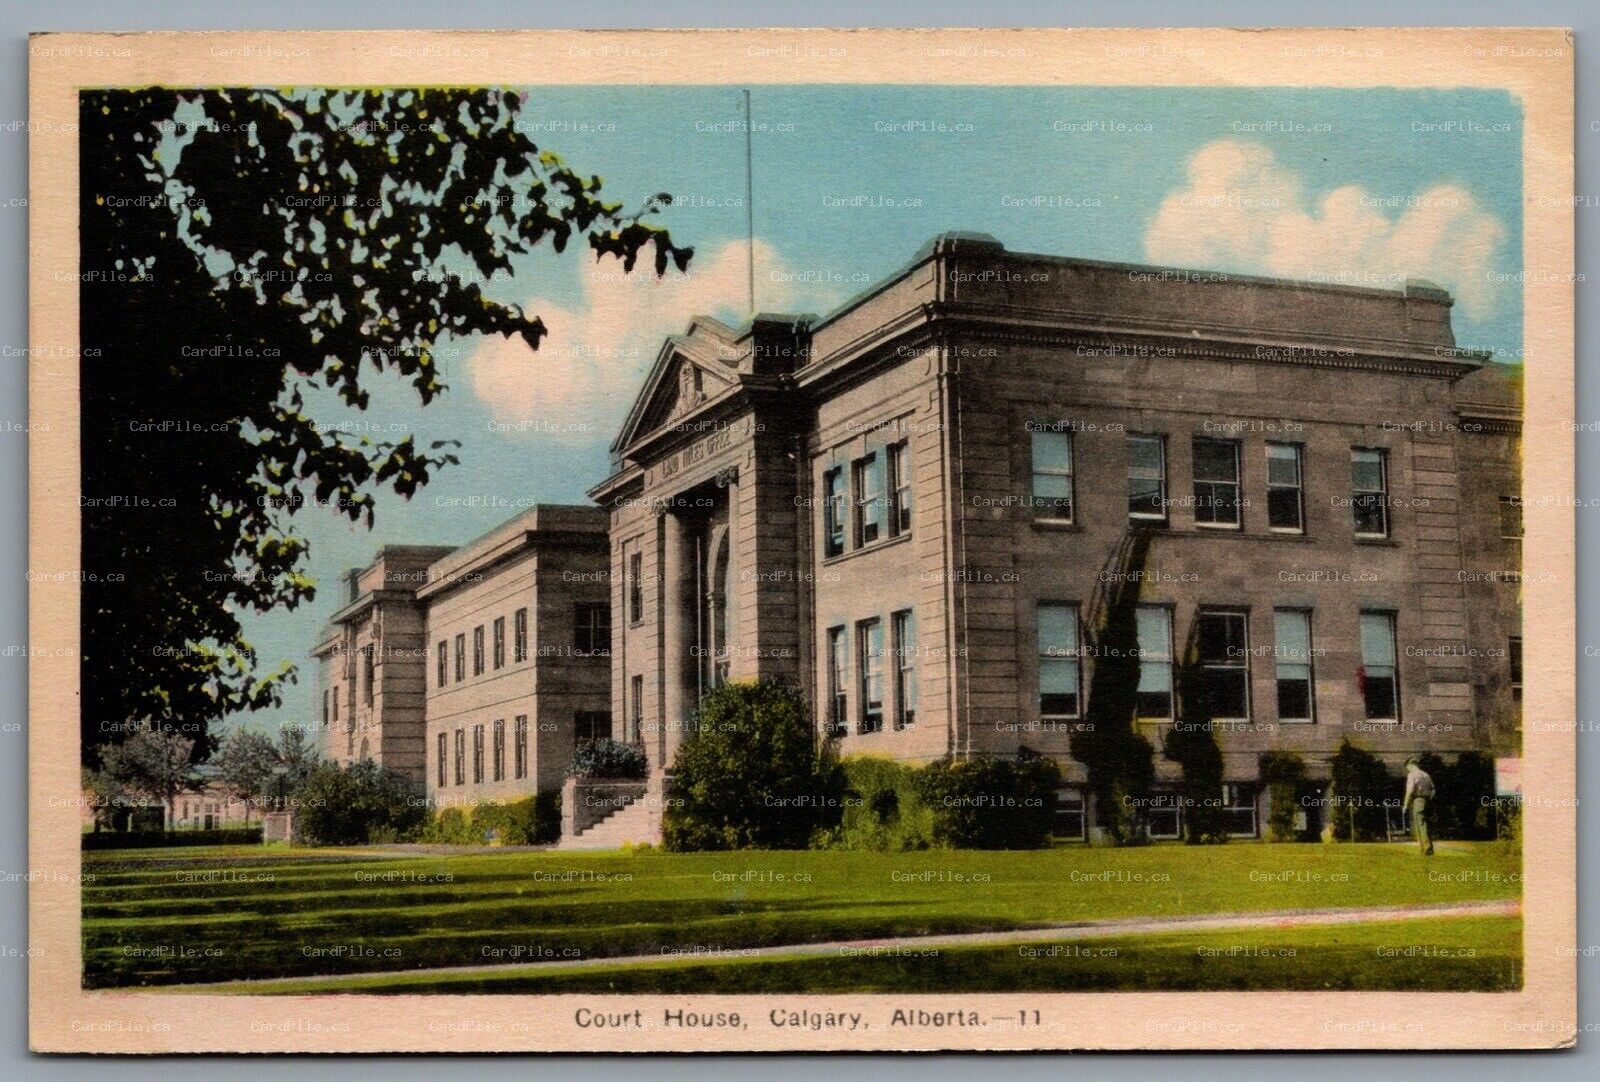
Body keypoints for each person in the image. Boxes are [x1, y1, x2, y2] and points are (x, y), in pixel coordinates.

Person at [1402, 757, 1436, 856]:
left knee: (1420, 825)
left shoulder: (1412, 775)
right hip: (1427, 800)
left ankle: (1426, 849)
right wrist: (1428, 798)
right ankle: (1429, 848)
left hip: (1418, 800)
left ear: (1410, 765)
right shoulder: (1426, 774)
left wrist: (1405, 804)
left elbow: (1409, 791)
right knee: (1426, 825)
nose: (1407, 770)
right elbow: (1433, 790)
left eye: (1407, 767)